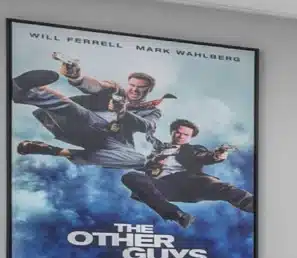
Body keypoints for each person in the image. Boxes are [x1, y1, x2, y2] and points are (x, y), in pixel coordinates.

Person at [10, 55, 166, 169]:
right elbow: (97, 86)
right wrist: (76, 77)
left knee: (139, 159)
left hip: (112, 143)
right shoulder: (116, 90)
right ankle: (23, 91)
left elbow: (147, 125)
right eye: (132, 85)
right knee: (73, 107)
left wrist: (123, 113)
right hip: (85, 122)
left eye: (141, 87)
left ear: (149, 90)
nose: (135, 90)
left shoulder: (152, 111)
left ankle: (55, 151)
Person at [119, 119, 253, 229]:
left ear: (190, 137)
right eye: (178, 132)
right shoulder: (156, 151)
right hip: (163, 187)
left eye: (185, 135)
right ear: (172, 132)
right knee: (130, 176)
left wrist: (216, 155)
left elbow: (203, 156)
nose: (180, 136)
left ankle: (250, 202)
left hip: (189, 183)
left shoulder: (192, 149)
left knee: (215, 185)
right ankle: (178, 215)